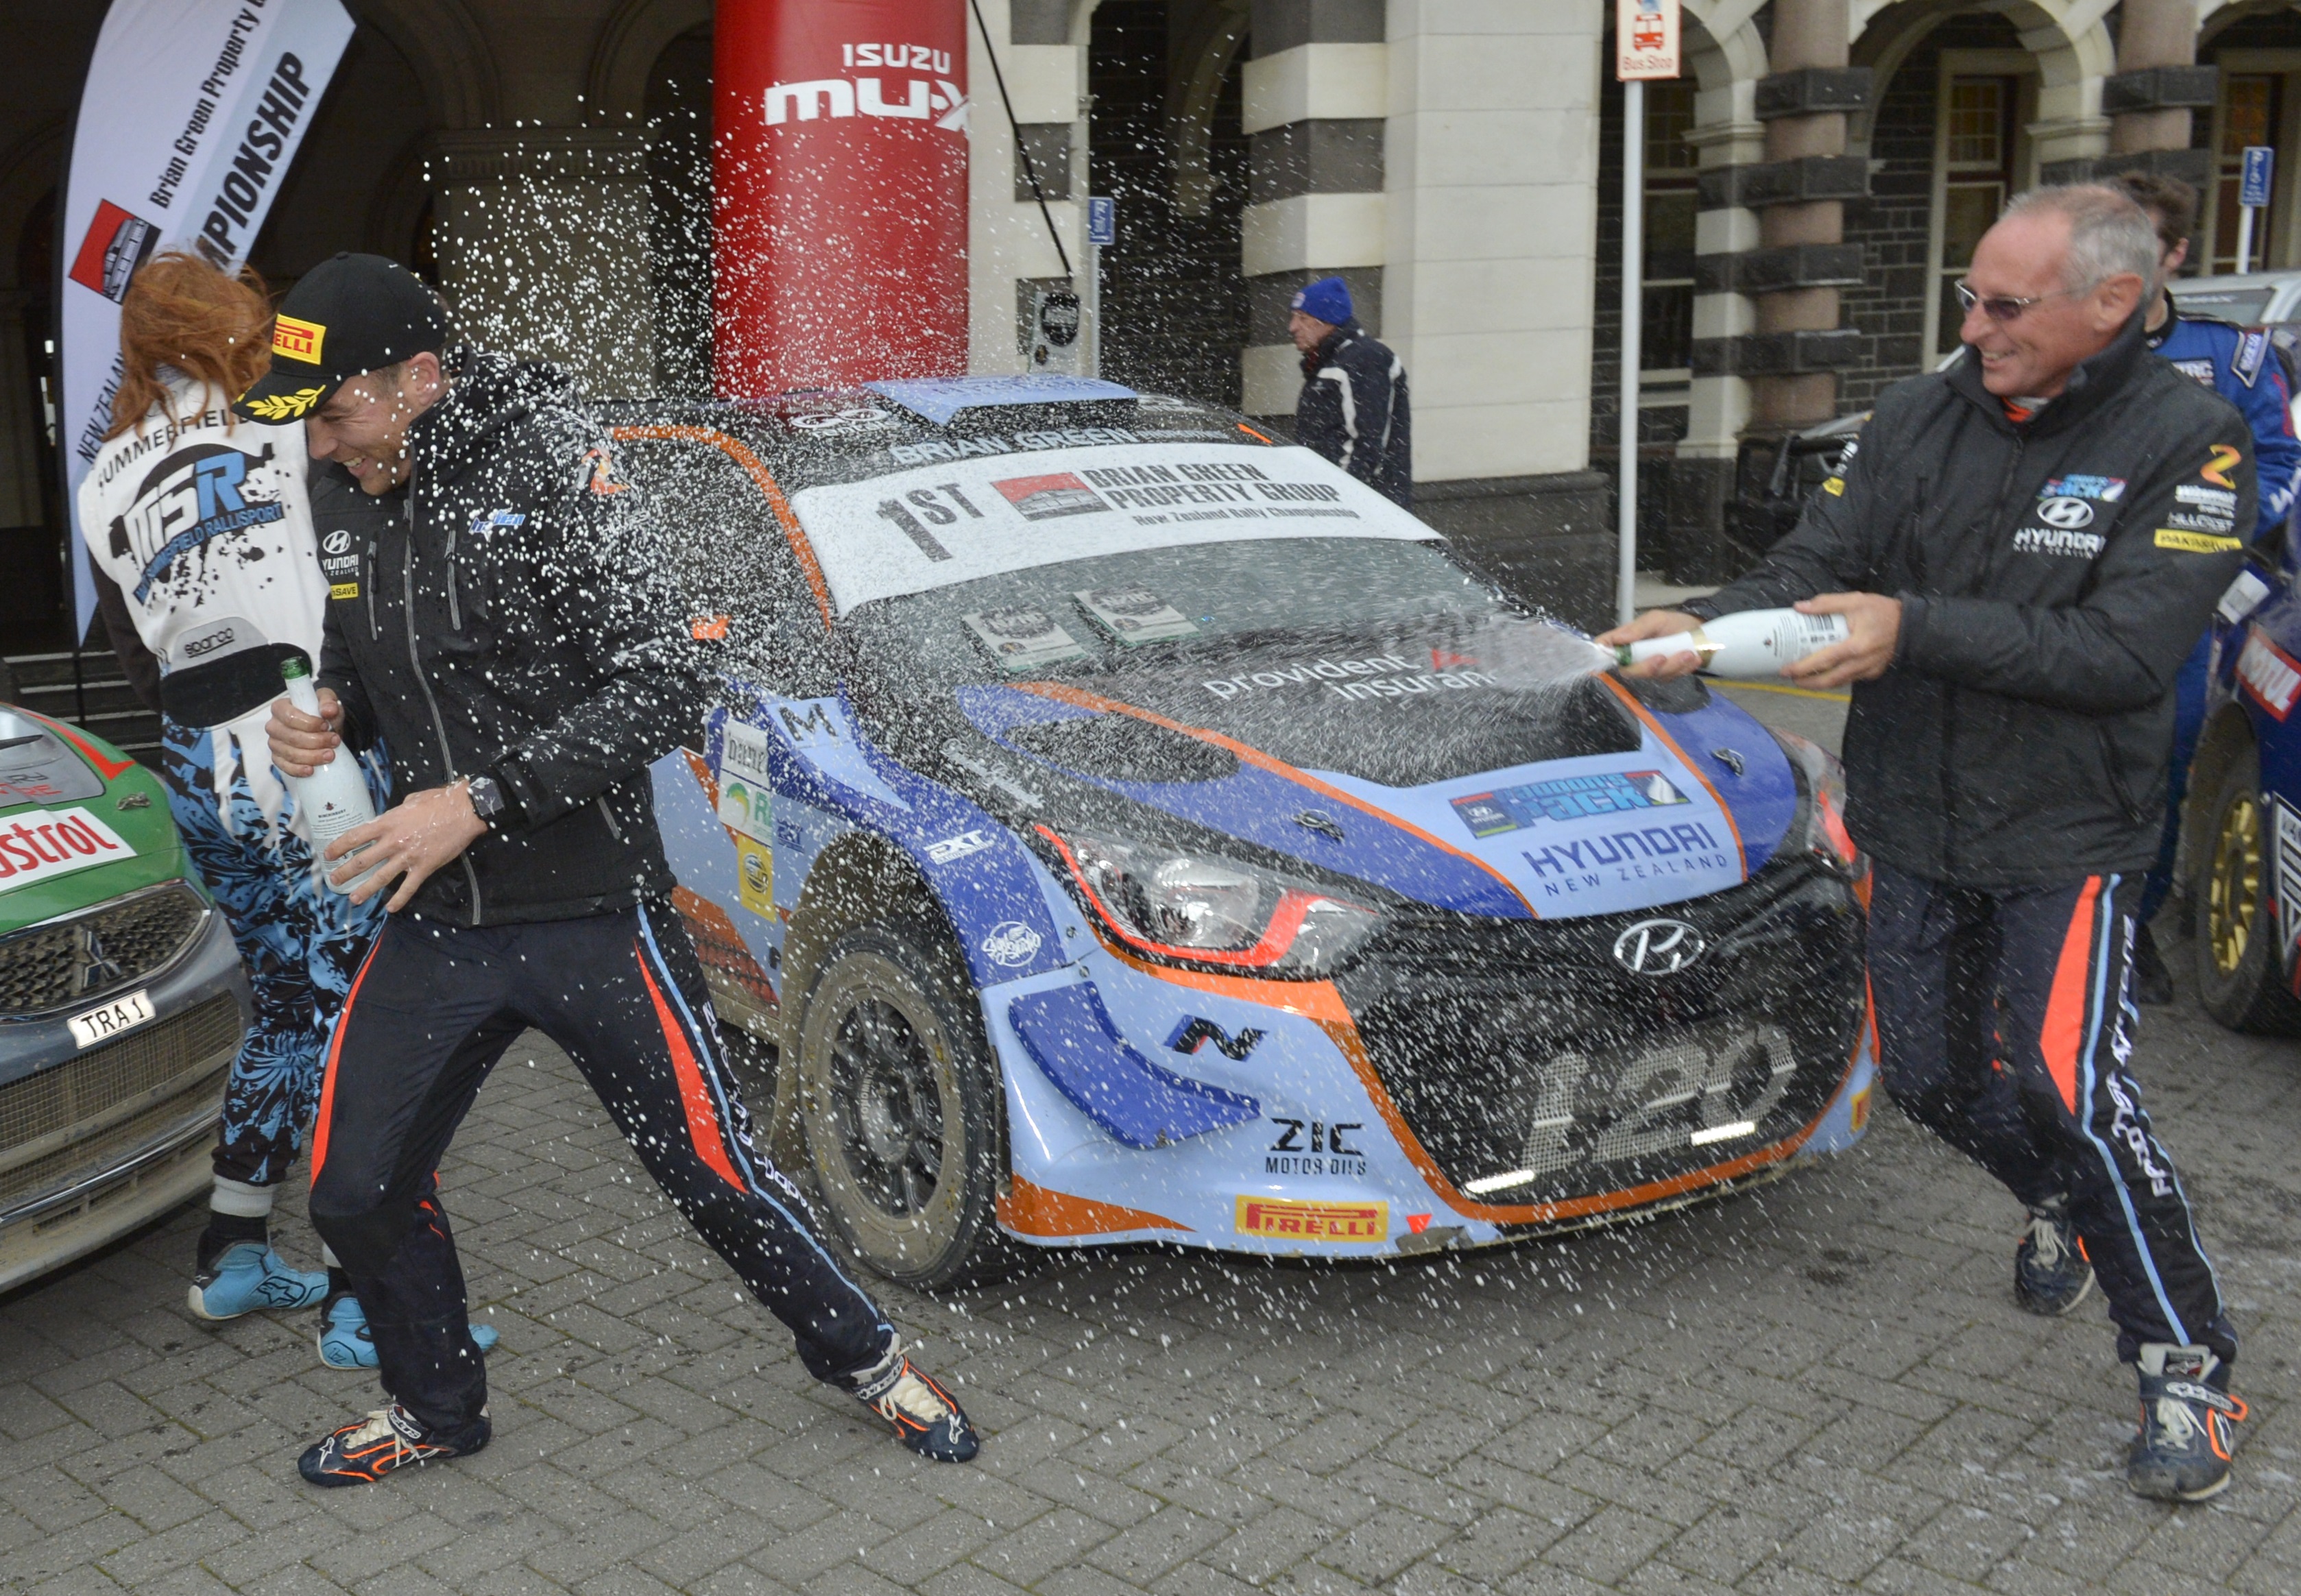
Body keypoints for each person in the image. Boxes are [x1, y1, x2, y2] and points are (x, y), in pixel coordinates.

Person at [247, 252, 976, 1486]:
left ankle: (871, 1361)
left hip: (593, 913)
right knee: (354, 1187)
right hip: (440, 916)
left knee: (714, 1177)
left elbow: (666, 682)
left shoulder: (556, 465)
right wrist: (329, 709)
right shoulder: (351, 496)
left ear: (420, 380)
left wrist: (476, 801)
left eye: (334, 415)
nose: (320, 449)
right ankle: (435, 1406)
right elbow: (366, 670)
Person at [1602, 186, 2249, 1503]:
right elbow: (1815, 566)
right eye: (1969, 293)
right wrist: (1696, 622)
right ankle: (2065, 1199)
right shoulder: (1916, 413)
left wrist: (1915, 627)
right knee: (1934, 1081)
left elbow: (2126, 651)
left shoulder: (2194, 442)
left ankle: (2188, 1363)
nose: (1974, 323)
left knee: (2072, 1091)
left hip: (2068, 837)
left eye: (2006, 305)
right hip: (1910, 817)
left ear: (2109, 304)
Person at [75, 252, 400, 1361]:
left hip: (195, 760)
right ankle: (371, 1296)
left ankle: (232, 1252)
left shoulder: (104, 475)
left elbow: (133, 653)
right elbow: (369, 464)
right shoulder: (281, 407)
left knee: (284, 1003)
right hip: (307, 742)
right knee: (365, 1014)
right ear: (240, 321)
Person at [2110, 171, 2301, 1004]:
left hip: (2178, 613)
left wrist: (2213, 555)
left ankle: (2129, 929)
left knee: (2163, 766)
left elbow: (2281, 466)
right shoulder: (2053, 346)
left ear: (2174, 255)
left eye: (2137, 246)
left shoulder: (2233, 358)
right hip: (2051, 604)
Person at [1290, 275, 1411, 506]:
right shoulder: (1332, 363)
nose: (1292, 327)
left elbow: (1368, 444)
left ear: (1326, 320)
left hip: (1362, 510)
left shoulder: (1365, 359)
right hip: (1332, 505)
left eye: (1302, 318)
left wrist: (1339, 499)